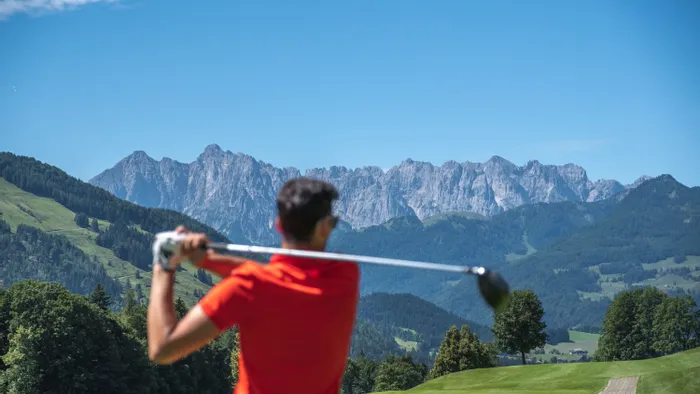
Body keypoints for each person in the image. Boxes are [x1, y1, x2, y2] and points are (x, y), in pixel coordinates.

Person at [147, 177, 360, 394]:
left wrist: (164, 262)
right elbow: (275, 276)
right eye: (333, 222)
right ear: (324, 227)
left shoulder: (248, 288)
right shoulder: (345, 275)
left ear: (278, 225)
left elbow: (162, 349)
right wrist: (208, 260)